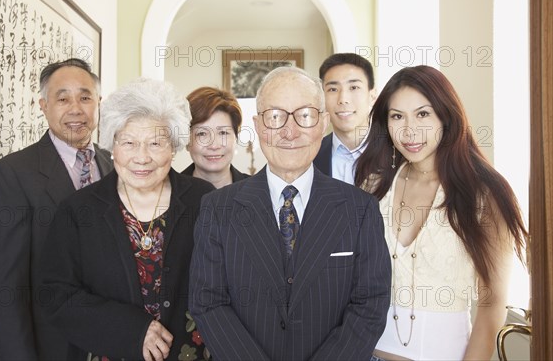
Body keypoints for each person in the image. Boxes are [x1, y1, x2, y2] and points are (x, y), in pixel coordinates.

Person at [189, 66, 391, 360]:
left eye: (305, 115)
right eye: (275, 116)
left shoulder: (360, 209)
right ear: (258, 126)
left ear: (322, 123)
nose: (289, 131)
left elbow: (370, 304)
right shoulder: (217, 209)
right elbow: (208, 302)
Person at [354, 66, 529, 361]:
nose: (409, 130)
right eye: (397, 116)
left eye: (423, 114)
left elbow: (491, 308)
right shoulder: (373, 185)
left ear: (446, 116)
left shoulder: (485, 194)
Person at [39, 78, 214, 361]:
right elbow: (55, 295)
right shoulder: (79, 210)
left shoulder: (203, 200)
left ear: (173, 147)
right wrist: (131, 329)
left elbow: (227, 284)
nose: (141, 158)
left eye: (155, 143)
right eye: (129, 143)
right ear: (112, 146)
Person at [0, 58, 113, 360]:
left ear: (98, 103)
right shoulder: (14, 173)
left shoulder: (114, 164)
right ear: (43, 105)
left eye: (85, 97)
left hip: (115, 341)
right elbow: (4, 288)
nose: (75, 109)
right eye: (62, 98)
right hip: (54, 346)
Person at [314, 53, 377, 184]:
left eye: (354, 87)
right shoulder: (310, 154)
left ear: (372, 96)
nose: (343, 99)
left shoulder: (394, 152)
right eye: (333, 89)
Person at [181, 86, 249, 187]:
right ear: (187, 141)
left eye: (223, 133)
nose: (214, 146)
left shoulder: (258, 192)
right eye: (202, 134)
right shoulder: (167, 193)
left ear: (236, 137)